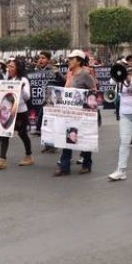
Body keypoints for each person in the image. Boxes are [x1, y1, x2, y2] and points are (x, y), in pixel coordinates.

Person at [54, 49, 96, 177]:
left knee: (84, 137)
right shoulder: (70, 73)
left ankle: (87, 164)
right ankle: (64, 166)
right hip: (70, 112)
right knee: (68, 138)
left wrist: (83, 99)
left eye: (71, 59)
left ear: (79, 61)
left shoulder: (85, 74)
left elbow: (93, 89)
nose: (69, 61)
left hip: (83, 112)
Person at [0, 59, 33, 170]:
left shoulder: (23, 79)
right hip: (8, 111)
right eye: (8, 66)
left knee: (22, 134)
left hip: (21, 112)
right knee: (5, 134)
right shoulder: (8, 79)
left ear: (18, 68)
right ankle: (2, 160)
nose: (9, 68)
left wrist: (21, 89)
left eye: (12, 66)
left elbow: (27, 97)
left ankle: (29, 156)